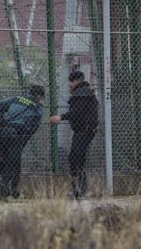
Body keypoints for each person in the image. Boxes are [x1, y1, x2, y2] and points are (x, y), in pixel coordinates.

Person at [50, 71, 98, 199]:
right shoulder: (84, 92)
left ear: (78, 80)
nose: (69, 84)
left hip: (84, 131)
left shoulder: (83, 93)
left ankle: (79, 189)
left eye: (71, 81)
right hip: (82, 131)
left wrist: (61, 116)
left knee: (74, 158)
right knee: (77, 159)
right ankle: (79, 189)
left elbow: (77, 112)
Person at [0, 84, 45, 200]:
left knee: (15, 161)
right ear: (38, 96)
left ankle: (13, 191)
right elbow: (33, 128)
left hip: (3, 131)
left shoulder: (17, 99)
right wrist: (23, 139)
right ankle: (2, 192)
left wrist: (1, 117)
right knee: (12, 163)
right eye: (41, 97)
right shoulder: (38, 107)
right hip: (17, 135)